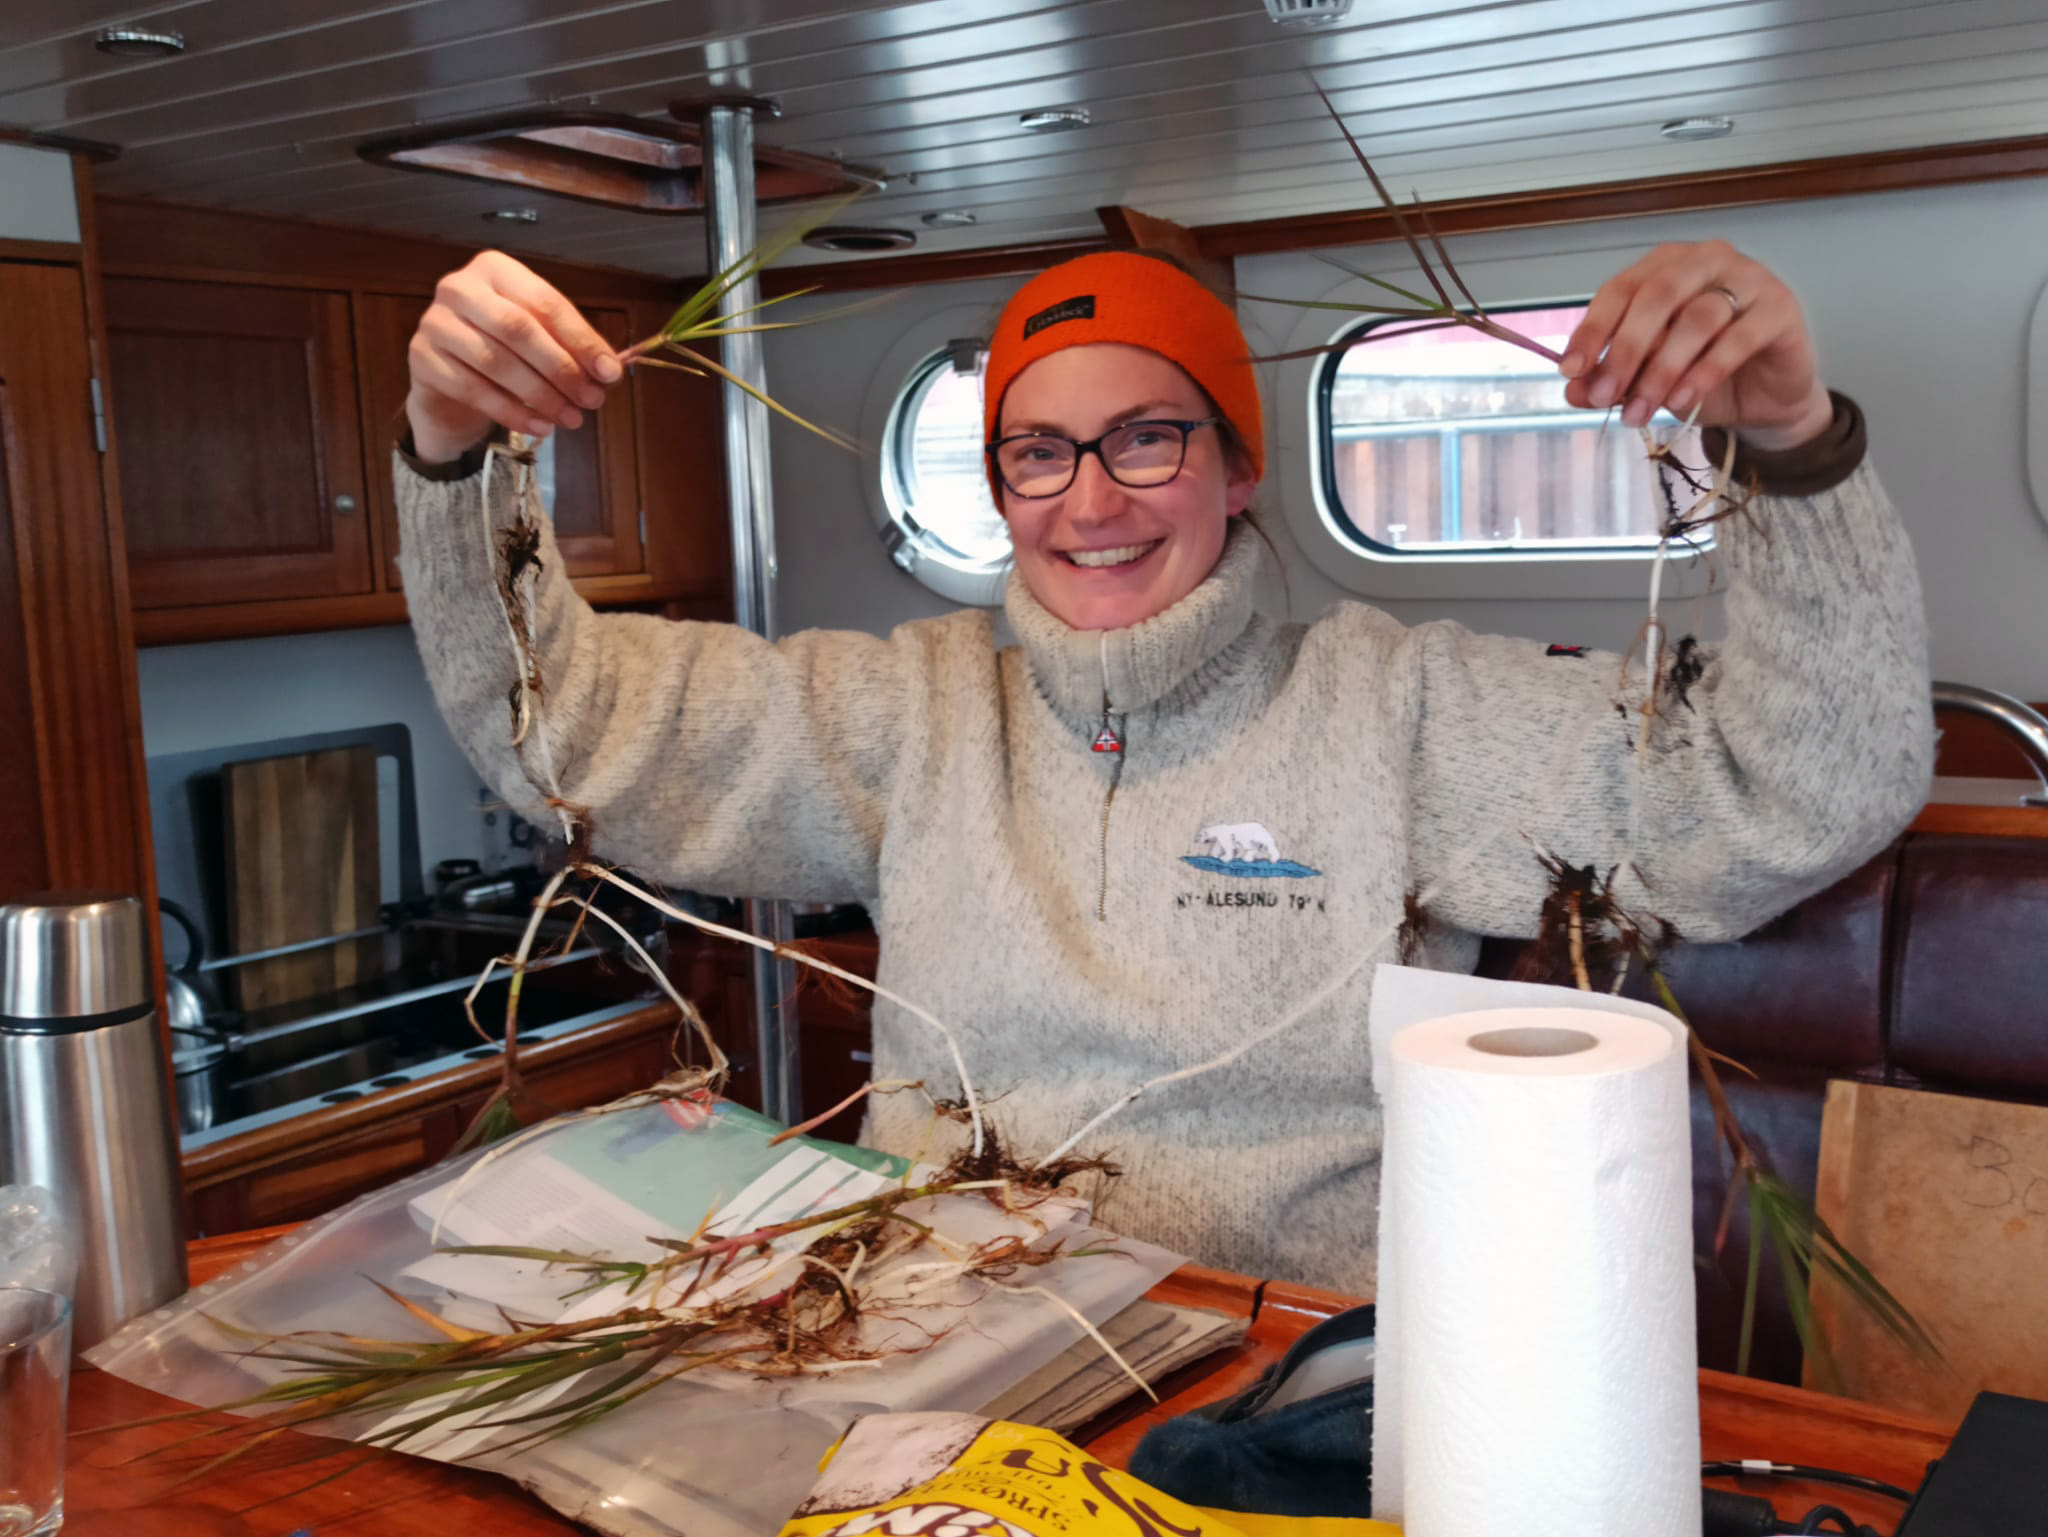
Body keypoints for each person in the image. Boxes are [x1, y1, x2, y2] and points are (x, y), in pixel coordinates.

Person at [396, 240, 1931, 1291]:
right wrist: (453, 450)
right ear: (999, 481)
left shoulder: (1405, 708)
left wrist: (1787, 442)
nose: (1091, 501)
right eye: (1036, 450)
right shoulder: (908, 712)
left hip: (1280, 1380)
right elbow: (568, 732)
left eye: (1149, 439)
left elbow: (1788, 793)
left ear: (1240, 463)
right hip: (933, 1357)